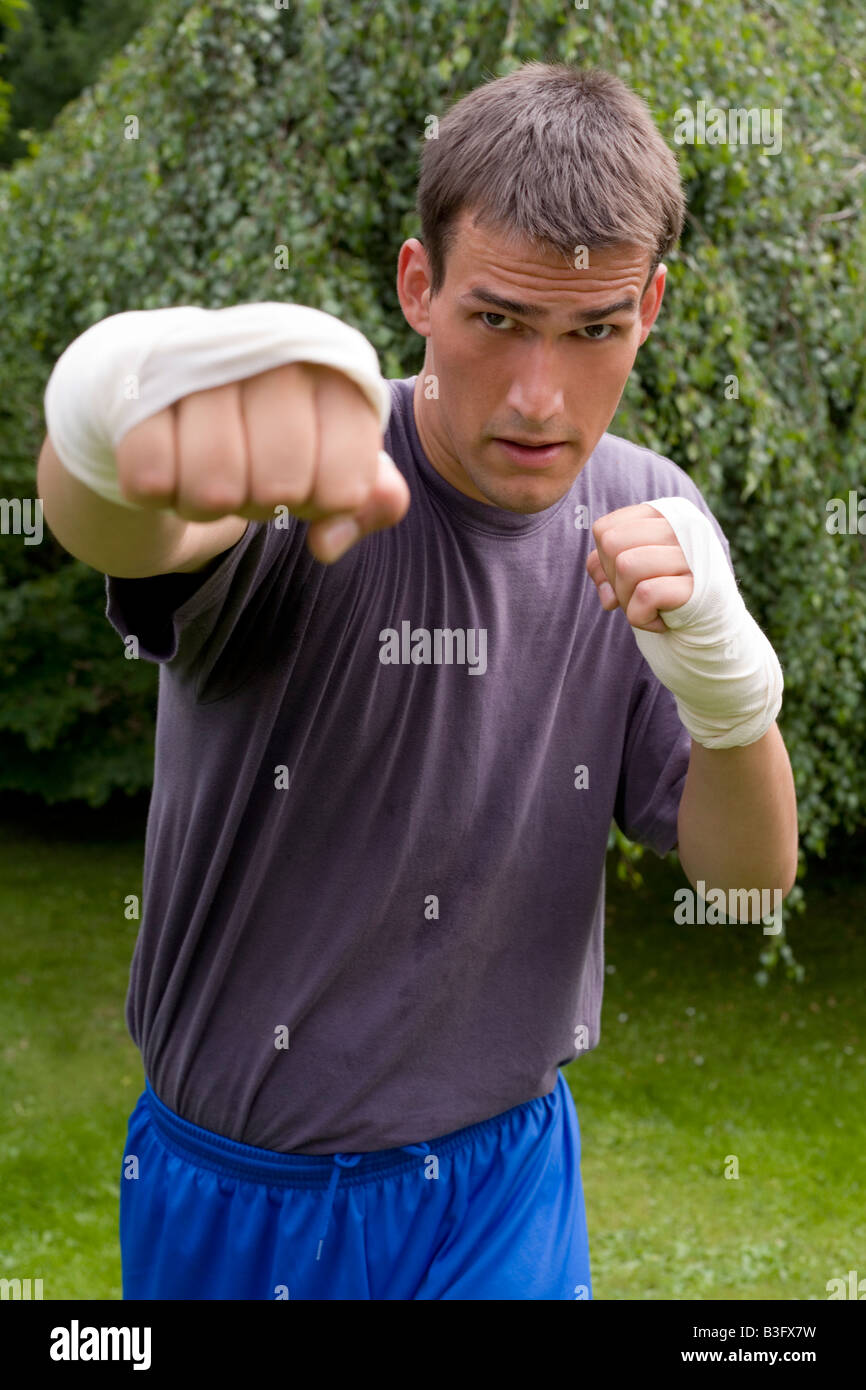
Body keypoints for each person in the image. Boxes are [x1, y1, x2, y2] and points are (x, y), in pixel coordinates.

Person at [37, 61, 798, 1301]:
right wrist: (109, 411)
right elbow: (124, 526)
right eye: (496, 319)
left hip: (506, 1183)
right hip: (244, 1187)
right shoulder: (315, 454)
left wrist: (731, 699)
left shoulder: (655, 522)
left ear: (649, 307)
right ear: (417, 286)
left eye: (593, 329)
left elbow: (749, 879)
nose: (540, 397)